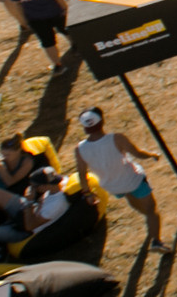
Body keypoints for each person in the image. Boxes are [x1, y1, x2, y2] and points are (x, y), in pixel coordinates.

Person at [71, 105, 167, 251]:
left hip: (113, 187)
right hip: (133, 180)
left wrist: (88, 193)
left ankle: (149, 226)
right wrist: (152, 155)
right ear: (102, 121)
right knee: (152, 211)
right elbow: (137, 153)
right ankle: (156, 241)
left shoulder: (80, 149)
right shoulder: (117, 138)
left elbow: (82, 174)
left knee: (130, 198)